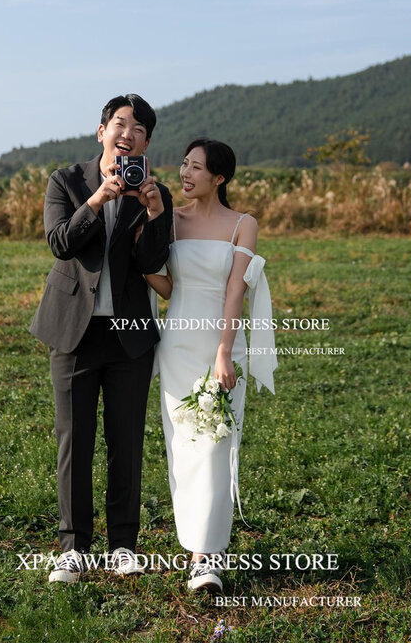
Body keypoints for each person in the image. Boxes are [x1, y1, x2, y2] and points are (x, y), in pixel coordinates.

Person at [30, 94, 172, 583]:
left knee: (126, 441)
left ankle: (124, 547)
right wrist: (96, 202)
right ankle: (73, 548)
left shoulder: (155, 192)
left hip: (130, 336)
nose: (127, 133)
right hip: (74, 332)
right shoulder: (66, 181)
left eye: (138, 129)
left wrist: (153, 213)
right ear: (101, 131)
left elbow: (154, 264)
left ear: (147, 142)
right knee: (75, 439)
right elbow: (59, 242)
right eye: (119, 124)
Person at [145, 138, 276, 593]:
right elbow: (167, 287)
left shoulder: (243, 224)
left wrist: (224, 351)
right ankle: (193, 546)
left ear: (218, 177)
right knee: (184, 444)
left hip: (222, 346)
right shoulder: (172, 221)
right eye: (184, 164)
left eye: (196, 167)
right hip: (178, 345)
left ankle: (208, 558)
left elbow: (235, 292)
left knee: (217, 446)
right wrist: (139, 261)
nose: (185, 173)